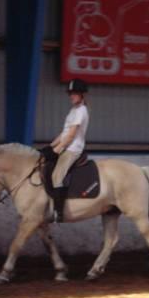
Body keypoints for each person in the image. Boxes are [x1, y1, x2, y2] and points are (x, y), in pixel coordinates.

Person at [50, 78, 90, 223]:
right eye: (70, 93)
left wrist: (58, 149)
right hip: (66, 145)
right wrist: (50, 146)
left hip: (73, 148)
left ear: (81, 94)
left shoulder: (81, 111)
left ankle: (58, 212)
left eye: (74, 93)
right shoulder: (73, 110)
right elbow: (64, 133)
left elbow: (72, 134)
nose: (71, 96)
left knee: (57, 176)